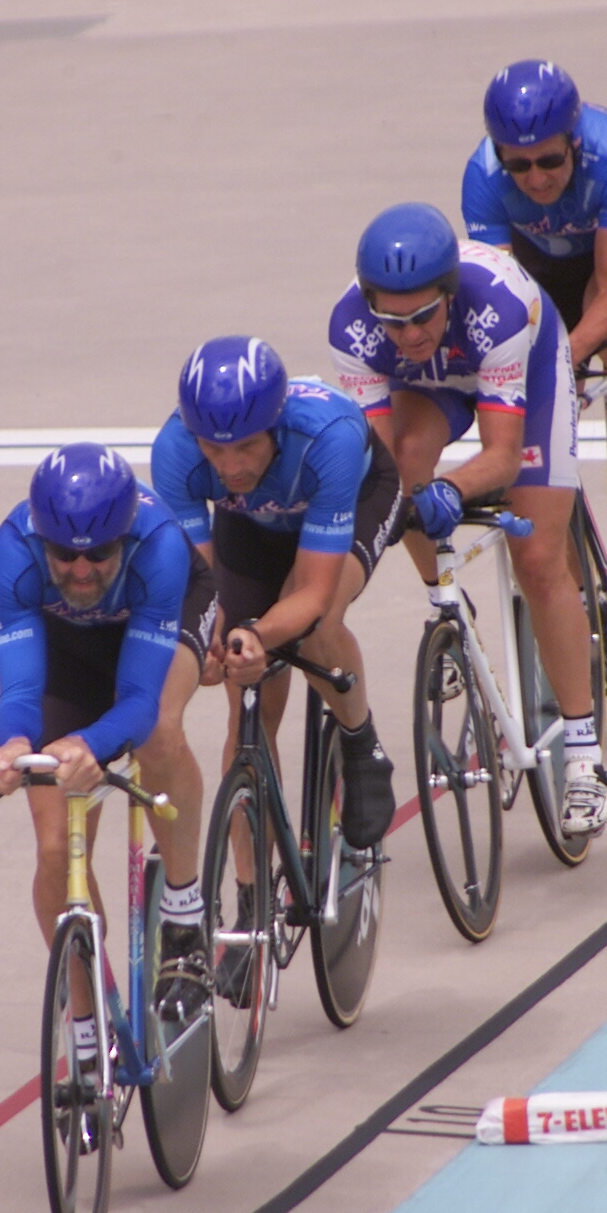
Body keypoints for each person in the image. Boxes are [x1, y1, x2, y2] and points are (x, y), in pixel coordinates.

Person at [329, 202, 607, 837]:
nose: (408, 334)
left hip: (524, 371)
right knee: (401, 469)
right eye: (392, 321)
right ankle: (447, 601)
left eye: (422, 316)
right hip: (431, 386)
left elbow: (502, 456)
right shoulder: (351, 329)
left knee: (537, 559)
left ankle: (584, 755)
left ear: (449, 295)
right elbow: (378, 468)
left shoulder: (497, 309)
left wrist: (451, 489)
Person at [0, 442, 217, 1034]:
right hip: (69, 642)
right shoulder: (11, 551)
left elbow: (137, 700)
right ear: (42, 539)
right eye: (64, 555)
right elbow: (21, 690)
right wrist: (11, 745)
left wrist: (90, 744)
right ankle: (90, 1028)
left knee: (158, 731)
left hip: (158, 617)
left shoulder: (158, 546)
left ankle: (184, 913)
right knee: (56, 852)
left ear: (124, 535)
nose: (81, 570)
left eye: (100, 553)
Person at [152, 334, 401, 878]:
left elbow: (312, 592)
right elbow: (197, 586)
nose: (229, 465)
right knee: (249, 703)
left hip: (352, 499)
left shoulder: (327, 438)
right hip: (254, 522)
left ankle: (360, 742)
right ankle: (251, 897)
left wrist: (259, 635)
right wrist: (210, 642)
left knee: (314, 628)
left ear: (275, 425)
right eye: (214, 449)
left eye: (245, 447)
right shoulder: (174, 450)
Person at [461, 59, 607, 577]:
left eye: (549, 160)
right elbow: (501, 298)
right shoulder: (482, 177)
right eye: (519, 166)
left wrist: (563, 361)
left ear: (575, 142)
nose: (536, 178)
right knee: (525, 361)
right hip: (543, 255)